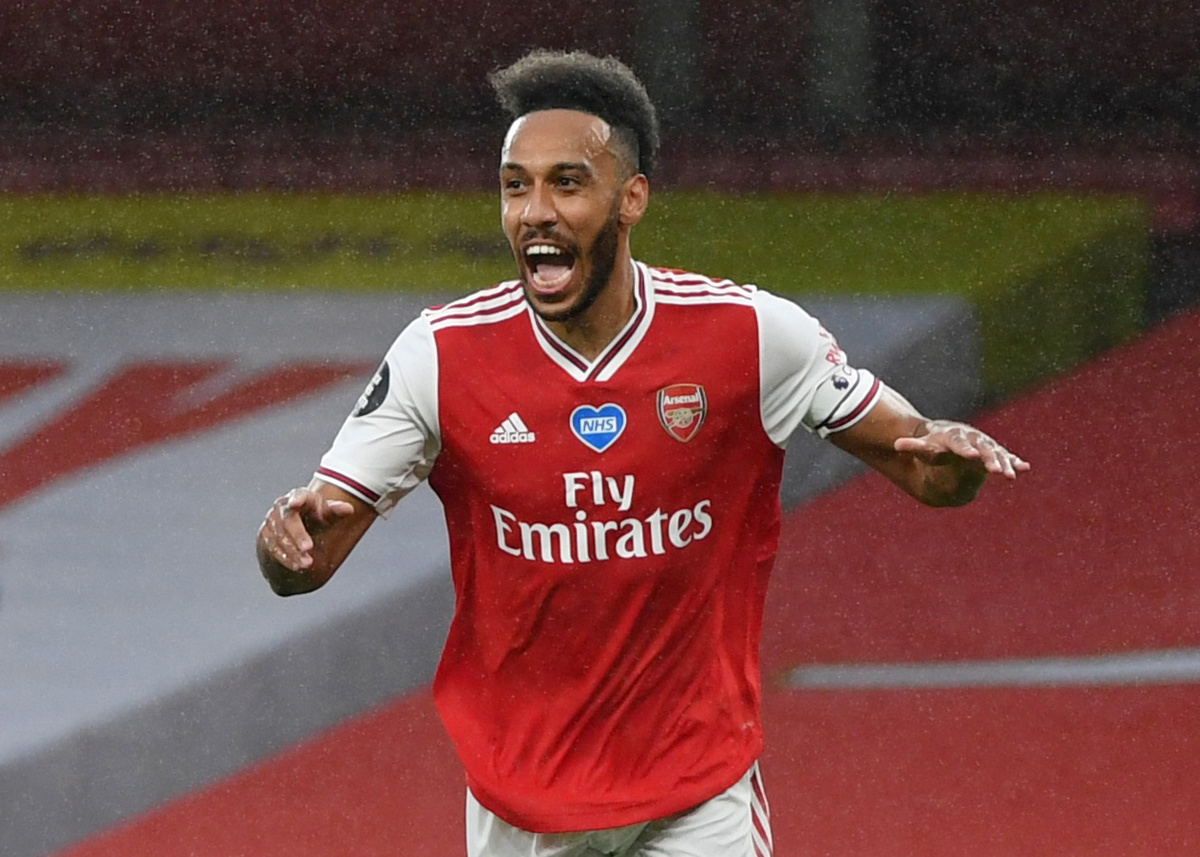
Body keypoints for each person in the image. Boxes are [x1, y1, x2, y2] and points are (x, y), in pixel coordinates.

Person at [256, 49, 1029, 857]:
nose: (535, 211)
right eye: (515, 186)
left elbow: (923, 464)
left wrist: (951, 455)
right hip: (525, 804)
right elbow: (306, 557)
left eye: (567, 183)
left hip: (698, 793)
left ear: (631, 198)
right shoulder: (440, 356)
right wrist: (286, 540)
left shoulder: (749, 336)